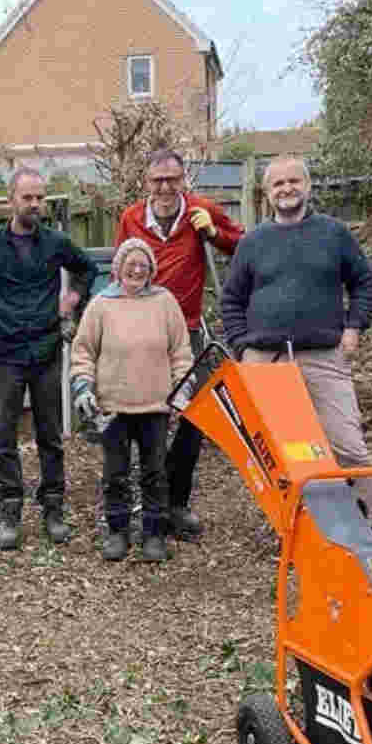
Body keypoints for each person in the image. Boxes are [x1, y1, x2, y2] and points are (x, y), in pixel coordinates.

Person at [218, 156, 372, 519]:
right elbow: (231, 299)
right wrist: (243, 347)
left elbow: (364, 282)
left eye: (294, 181)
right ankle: (299, 532)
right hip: (267, 362)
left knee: (348, 448)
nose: (287, 189)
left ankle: (371, 528)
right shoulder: (253, 242)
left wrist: (354, 327)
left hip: (323, 357)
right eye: (278, 184)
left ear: (308, 186)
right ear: (267, 192)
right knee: (280, 455)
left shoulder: (333, 233)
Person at [0, 166, 94, 551]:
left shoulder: (55, 242)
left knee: (50, 435)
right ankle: (10, 512)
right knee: (3, 435)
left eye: (40, 198)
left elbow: (85, 269)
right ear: (11, 200)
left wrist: (71, 299)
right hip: (4, 352)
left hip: (46, 349)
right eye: (27, 197)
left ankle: (53, 510)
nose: (35, 204)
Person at [115, 148, 243, 539]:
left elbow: (242, 245)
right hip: (144, 330)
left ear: (183, 179)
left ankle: (176, 501)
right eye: (158, 180)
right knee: (147, 416)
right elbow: (120, 269)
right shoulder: (131, 218)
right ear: (147, 182)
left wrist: (213, 233)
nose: (166, 187)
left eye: (172, 179)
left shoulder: (200, 211)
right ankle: (150, 503)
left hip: (187, 332)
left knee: (196, 415)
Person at [70, 238, 192, 562]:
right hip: (113, 407)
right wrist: (83, 386)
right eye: (130, 264)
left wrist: (182, 389)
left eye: (143, 265)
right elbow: (83, 352)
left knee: (155, 473)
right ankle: (118, 532)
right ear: (118, 268)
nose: (137, 270)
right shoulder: (101, 305)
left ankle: (154, 533)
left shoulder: (164, 303)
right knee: (116, 473)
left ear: (151, 270)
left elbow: (181, 352)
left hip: (155, 406)